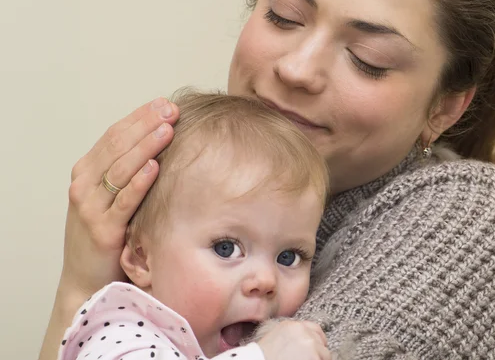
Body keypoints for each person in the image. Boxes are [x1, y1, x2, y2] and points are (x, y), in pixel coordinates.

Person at [40, 0, 495, 358]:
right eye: (284, 15)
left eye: (367, 60)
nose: (298, 68)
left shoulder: (476, 227)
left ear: (444, 107)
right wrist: (83, 286)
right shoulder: (193, 183)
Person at [58, 90, 331, 360]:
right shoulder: (121, 337)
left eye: (289, 257)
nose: (266, 280)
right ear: (142, 259)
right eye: (226, 248)